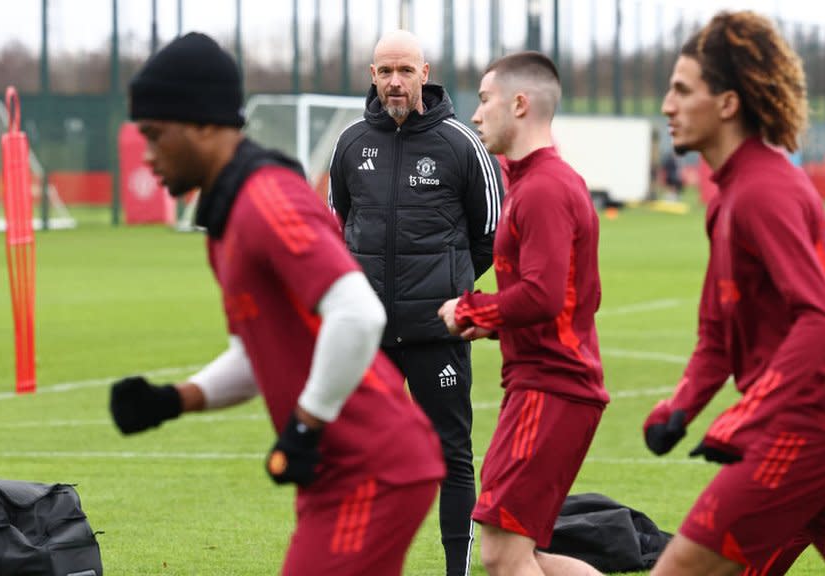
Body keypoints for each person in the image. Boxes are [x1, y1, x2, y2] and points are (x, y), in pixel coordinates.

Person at [109, 32, 445, 576]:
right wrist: (174, 400)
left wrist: (307, 425)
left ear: (201, 123)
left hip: (371, 470)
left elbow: (359, 313)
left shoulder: (268, 199)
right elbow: (253, 356)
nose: (147, 156)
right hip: (339, 473)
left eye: (155, 135)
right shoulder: (225, 222)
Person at [645, 10, 825, 575]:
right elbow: (716, 335)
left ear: (728, 103)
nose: (667, 105)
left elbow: (819, 319)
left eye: (682, 90)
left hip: (802, 427)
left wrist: (748, 415)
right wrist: (680, 408)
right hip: (819, 427)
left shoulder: (764, 191)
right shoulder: (728, 198)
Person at [327, 29, 502, 576]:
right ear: (372, 76)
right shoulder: (352, 143)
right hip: (370, 339)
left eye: (405, 71)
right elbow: (338, 226)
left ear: (425, 72)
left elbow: (489, 233)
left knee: (450, 455)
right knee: (361, 456)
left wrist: (446, 288)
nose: (395, 82)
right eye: (385, 72)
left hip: (436, 335)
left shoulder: (460, 143)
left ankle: (456, 569)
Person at [437, 51, 608, 576]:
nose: (475, 114)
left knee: (502, 554)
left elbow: (543, 295)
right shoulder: (532, 182)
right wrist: (488, 325)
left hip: (552, 387)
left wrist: (471, 308)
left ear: (519, 103)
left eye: (484, 100)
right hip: (547, 385)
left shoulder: (545, 188)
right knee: (518, 554)